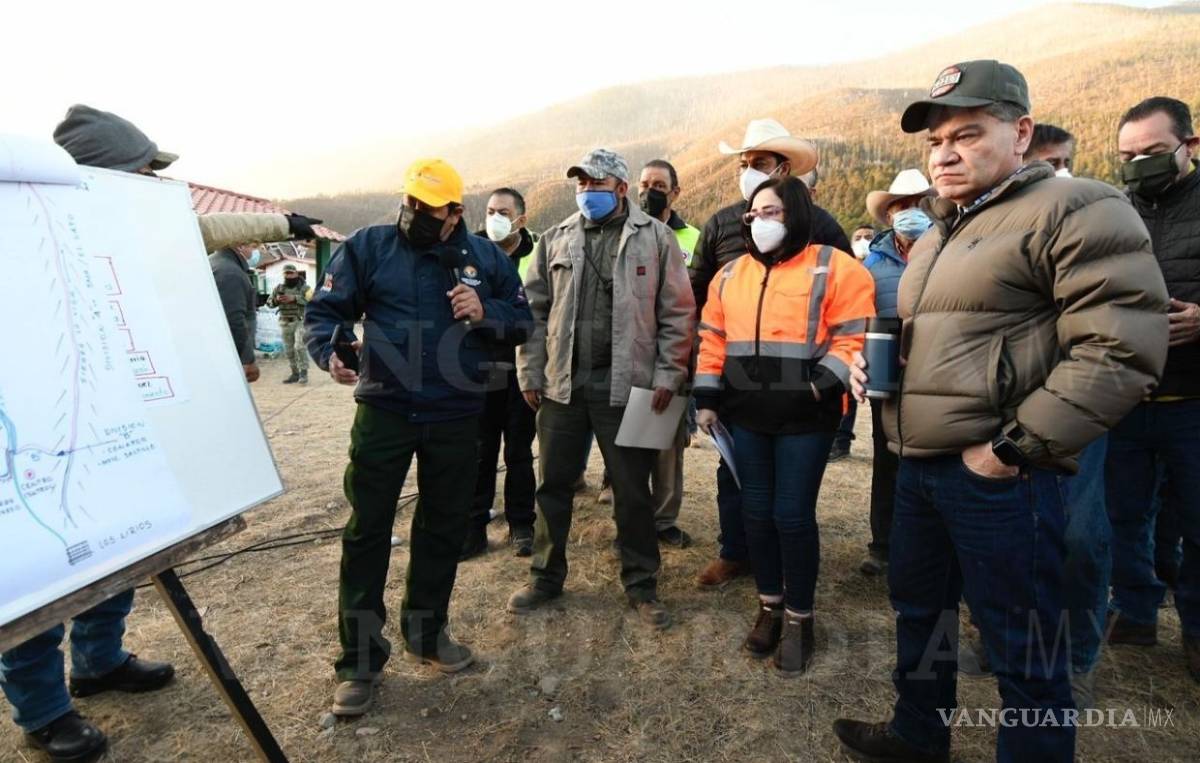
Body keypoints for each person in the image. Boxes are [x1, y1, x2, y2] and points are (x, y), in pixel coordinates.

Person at [833, 60, 1168, 763]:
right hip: (920, 467)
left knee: (1025, 649)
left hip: (1006, 477)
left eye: (966, 134)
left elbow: (1119, 350)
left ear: (1020, 133)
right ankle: (918, 734)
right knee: (920, 614)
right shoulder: (939, 233)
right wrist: (880, 369)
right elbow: (952, 339)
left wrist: (1010, 450)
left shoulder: (1080, 207)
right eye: (935, 141)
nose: (944, 154)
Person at [0, 104, 321, 763]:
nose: (157, 185)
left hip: (116, 422)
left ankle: (99, 661)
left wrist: (284, 223)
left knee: (126, 540)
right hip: (45, 433)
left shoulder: (120, 224)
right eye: (145, 173)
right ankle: (43, 710)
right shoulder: (20, 229)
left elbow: (202, 229)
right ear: (104, 173)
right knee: (46, 568)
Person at [304, 158, 532, 717]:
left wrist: (485, 310)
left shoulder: (485, 258)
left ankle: (427, 634)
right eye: (410, 202)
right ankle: (359, 661)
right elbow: (325, 311)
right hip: (385, 410)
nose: (413, 214)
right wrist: (330, 349)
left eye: (427, 208)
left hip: (456, 412)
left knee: (442, 526)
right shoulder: (369, 246)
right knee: (367, 530)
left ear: (455, 212)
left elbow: (523, 320)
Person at [508, 149, 694, 629]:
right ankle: (545, 577)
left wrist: (669, 376)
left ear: (621, 189)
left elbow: (677, 313)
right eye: (581, 183)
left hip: (634, 388)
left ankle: (641, 584)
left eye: (597, 183)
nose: (587, 191)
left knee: (634, 492)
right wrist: (530, 372)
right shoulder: (555, 237)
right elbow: (533, 312)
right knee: (553, 487)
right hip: (563, 386)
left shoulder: (657, 239)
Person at [695, 175, 874, 673]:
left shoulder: (834, 266)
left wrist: (818, 386)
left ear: (795, 213)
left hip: (807, 418)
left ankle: (800, 618)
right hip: (746, 416)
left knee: (792, 516)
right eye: (753, 214)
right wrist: (706, 398)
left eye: (771, 211)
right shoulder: (730, 274)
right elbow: (712, 339)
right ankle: (769, 606)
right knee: (756, 514)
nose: (759, 222)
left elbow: (854, 335)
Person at [689, 118, 852, 588]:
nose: (748, 171)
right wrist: (705, 379)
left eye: (758, 162)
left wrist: (823, 382)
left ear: (784, 167)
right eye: (743, 163)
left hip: (802, 389)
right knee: (734, 475)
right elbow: (699, 295)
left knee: (792, 491)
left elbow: (846, 307)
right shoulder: (721, 222)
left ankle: (787, 565)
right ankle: (735, 552)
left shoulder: (821, 225)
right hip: (740, 385)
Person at [1106, 96, 1200, 684]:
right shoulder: (1112, 212)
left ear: (1190, 146)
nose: (1140, 164)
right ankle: (1135, 611)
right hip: (1124, 396)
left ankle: (1197, 629)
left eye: (1154, 151)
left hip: (1193, 398)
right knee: (1122, 515)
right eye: (1128, 156)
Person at [852, 169, 935, 576]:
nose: (911, 212)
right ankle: (882, 545)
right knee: (886, 461)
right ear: (888, 215)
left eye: (919, 204)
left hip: (937, 377)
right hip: (888, 376)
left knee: (933, 463)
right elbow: (860, 317)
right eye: (902, 206)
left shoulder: (948, 249)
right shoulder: (871, 263)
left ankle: (928, 550)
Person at [462, 188, 539, 560]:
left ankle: (521, 524)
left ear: (520, 219)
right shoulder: (469, 251)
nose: (495, 218)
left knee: (519, 451)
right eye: (491, 210)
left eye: (503, 212)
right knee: (480, 451)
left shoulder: (536, 255)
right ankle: (474, 527)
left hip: (521, 366)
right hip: (479, 365)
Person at [636, 159, 699, 547]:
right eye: (644, 184)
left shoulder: (693, 238)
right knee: (631, 443)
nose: (650, 191)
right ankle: (631, 516)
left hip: (674, 353)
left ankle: (663, 520)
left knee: (666, 446)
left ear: (675, 192)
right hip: (632, 354)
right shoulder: (626, 232)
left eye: (659, 185)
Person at [211, 243, 265, 383]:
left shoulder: (216, 263)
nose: (256, 251)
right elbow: (234, 320)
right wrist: (247, 359)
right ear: (240, 245)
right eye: (253, 246)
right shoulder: (230, 272)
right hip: (228, 357)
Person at [268, 263, 311, 384]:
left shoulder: (305, 288)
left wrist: (295, 299)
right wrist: (276, 300)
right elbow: (269, 303)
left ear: (296, 273)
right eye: (286, 273)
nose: (288, 276)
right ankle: (295, 373)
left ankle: (303, 372)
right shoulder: (279, 288)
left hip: (300, 321)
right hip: (285, 322)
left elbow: (314, 301)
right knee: (289, 350)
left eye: (291, 273)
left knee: (299, 346)